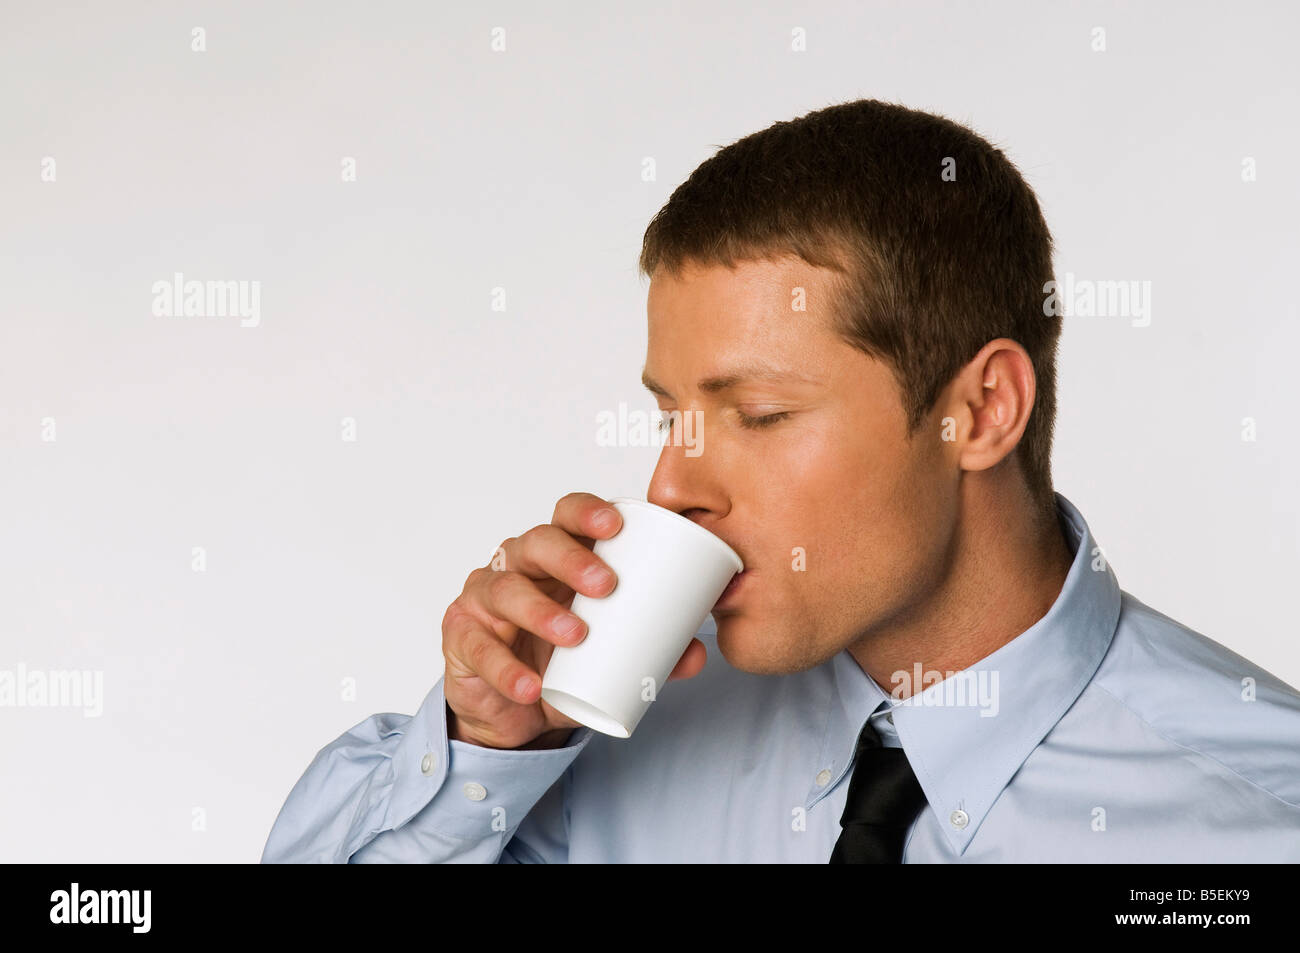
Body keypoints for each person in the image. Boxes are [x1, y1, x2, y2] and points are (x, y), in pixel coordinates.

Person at [261, 99, 1300, 863]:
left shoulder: (1258, 813)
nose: (669, 486)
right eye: (671, 415)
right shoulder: (589, 746)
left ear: (979, 411)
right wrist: (485, 746)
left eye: (758, 414)